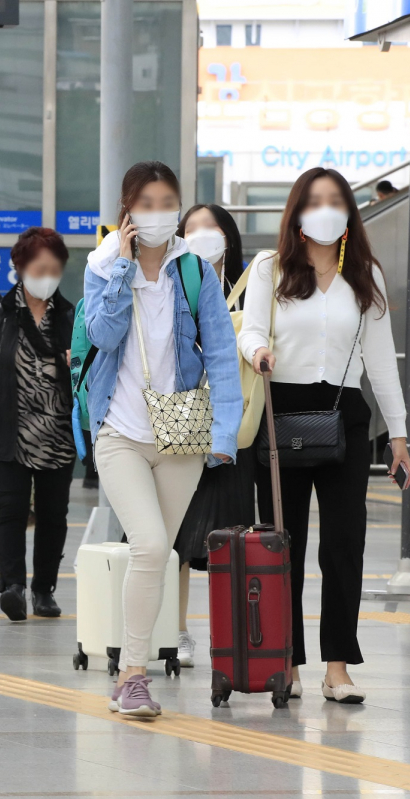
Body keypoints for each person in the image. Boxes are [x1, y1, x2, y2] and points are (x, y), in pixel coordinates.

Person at [239, 166, 410, 704]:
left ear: (349, 212)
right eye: (315, 201)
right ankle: (287, 662)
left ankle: (337, 667)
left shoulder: (365, 273)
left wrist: (399, 435)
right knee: (283, 543)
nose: (326, 211)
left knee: (344, 543)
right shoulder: (270, 267)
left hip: (344, 415)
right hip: (281, 415)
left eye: (336, 201)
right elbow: (250, 328)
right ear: (297, 212)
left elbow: (380, 360)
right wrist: (257, 351)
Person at [84, 161, 241, 717]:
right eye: (145, 204)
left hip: (182, 436)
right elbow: (101, 335)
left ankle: (129, 678)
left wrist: (225, 433)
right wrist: (124, 268)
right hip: (120, 432)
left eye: (166, 202)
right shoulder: (102, 267)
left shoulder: (193, 271)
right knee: (150, 546)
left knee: (159, 555)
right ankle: (133, 674)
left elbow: (221, 354)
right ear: (127, 211)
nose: (157, 213)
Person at [0, 227, 76, 620]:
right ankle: (14, 587)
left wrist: (74, 364)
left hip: (58, 433)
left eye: (54, 269)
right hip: (8, 430)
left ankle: (43, 590)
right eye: (40, 268)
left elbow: (89, 375)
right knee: (10, 511)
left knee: (54, 515)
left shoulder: (71, 316)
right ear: (20, 268)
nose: (47, 276)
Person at [172, 204, 257, 668]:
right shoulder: (172, 282)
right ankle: (177, 630)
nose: (203, 235)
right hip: (181, 415)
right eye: (192, 228)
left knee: (229, 532)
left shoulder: (250, 287)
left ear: (228, 235)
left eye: (211, 227)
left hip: (233, 422)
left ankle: (229, 634)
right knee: (178, 533)